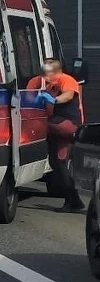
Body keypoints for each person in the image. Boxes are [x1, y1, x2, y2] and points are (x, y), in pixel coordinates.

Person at [27, 57, 85, 212]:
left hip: (67, 124)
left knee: (44, 128)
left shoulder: (67, 80)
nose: (46, 77)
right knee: (57, 164)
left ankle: (73, 201)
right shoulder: (37, 82)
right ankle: (73, 201)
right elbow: (27, 97)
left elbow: (68, 95)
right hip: (54, 127)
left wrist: (53, 100)